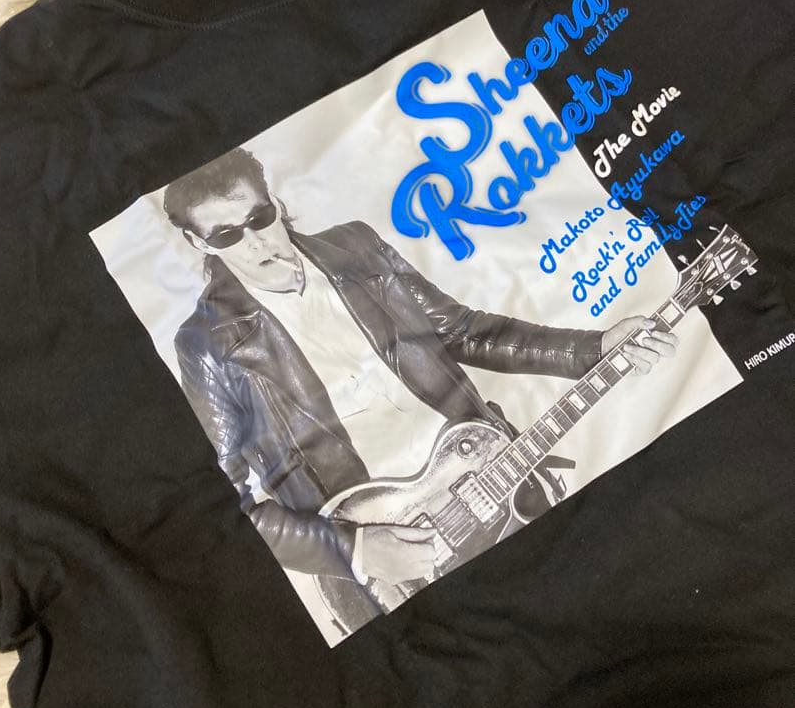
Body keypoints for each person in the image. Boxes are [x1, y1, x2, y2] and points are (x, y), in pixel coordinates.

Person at [163, 147, 678, 587]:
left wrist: (596, 346)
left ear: (274, 203)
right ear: (198, 242)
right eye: (226, 236)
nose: (255, 242)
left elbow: (464, 331)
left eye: (259, 219)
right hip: (398, 554)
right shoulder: (204, 344)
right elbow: (227, 503)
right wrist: (354, 551)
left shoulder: (355, 247)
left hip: (489, 477)